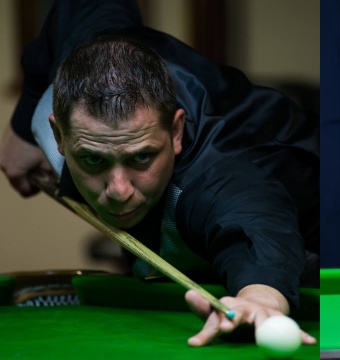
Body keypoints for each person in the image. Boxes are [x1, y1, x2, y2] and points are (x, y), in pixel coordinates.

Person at [0, 0, 318, 347]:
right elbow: (77, 8)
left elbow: (257, 226)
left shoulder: (216, 176)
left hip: (314, 221)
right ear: (60, 135)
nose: (118, 190)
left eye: (141, 158)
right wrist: (20, 127)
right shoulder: (76, 66)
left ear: (176, 133)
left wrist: (261, 296)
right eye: (93, 160)